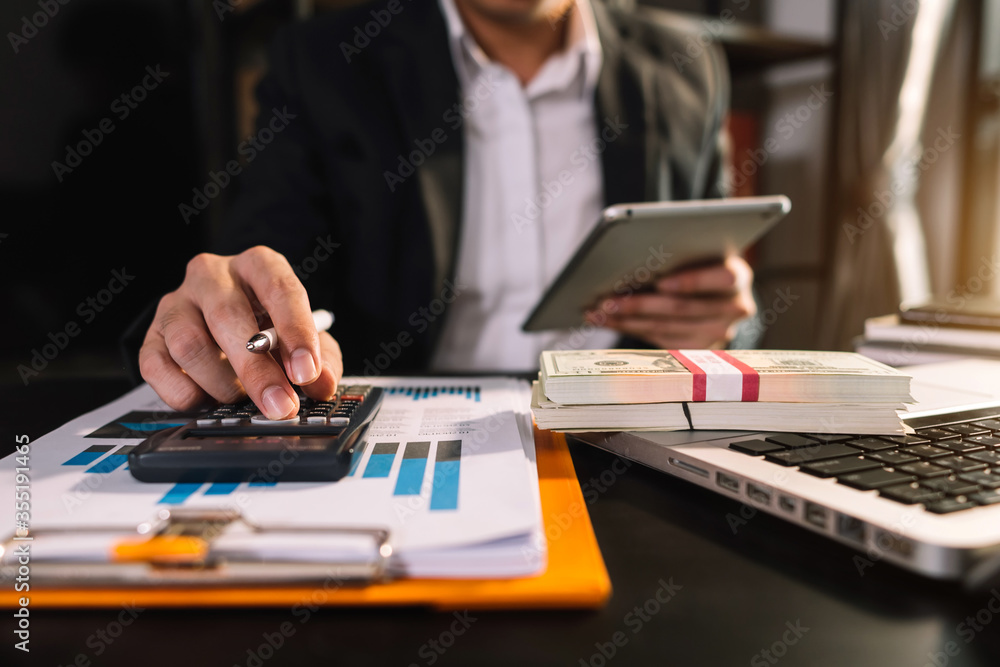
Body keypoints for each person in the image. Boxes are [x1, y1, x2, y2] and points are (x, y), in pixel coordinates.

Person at [138, 0, 756, 420]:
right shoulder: (326, 61)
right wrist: (224, 308)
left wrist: (723, 325)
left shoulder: (689, 66)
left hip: (629, 424)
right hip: (405, 427)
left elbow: (722, 289)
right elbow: (262, 270)